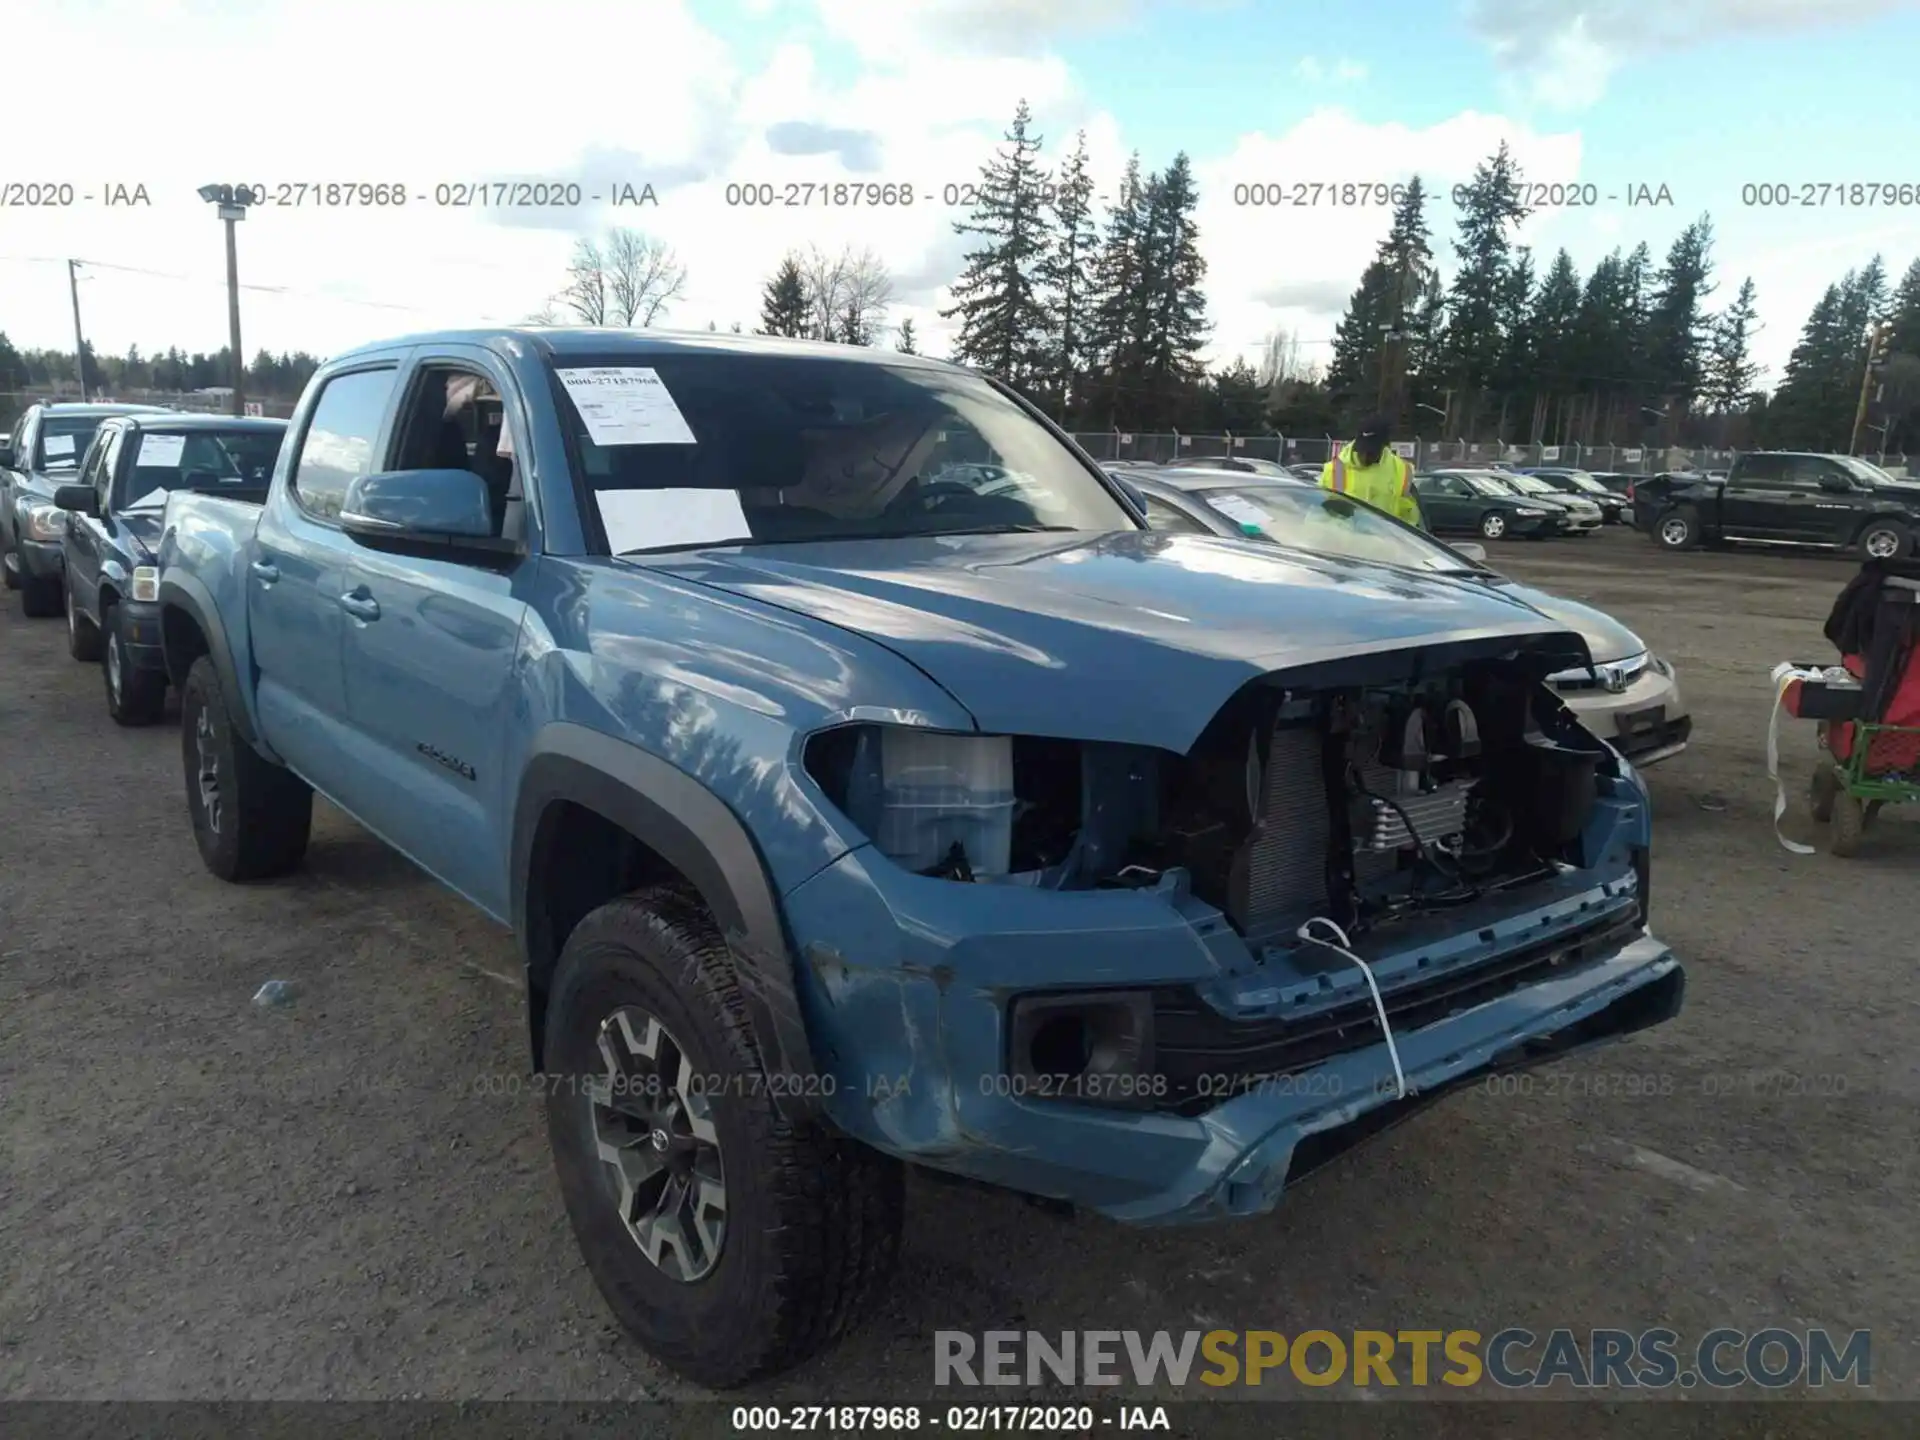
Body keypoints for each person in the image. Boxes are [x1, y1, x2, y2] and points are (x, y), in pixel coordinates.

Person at [1320, 415, 1422, 528]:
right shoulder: (1335, 470)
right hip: (1344, 541)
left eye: (1371, 452)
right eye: (1362, 450)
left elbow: (1409, 517)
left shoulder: (1402, 471)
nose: (1365, 456)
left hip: (1385, 541)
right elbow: (1319, 513)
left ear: (1384, 446)